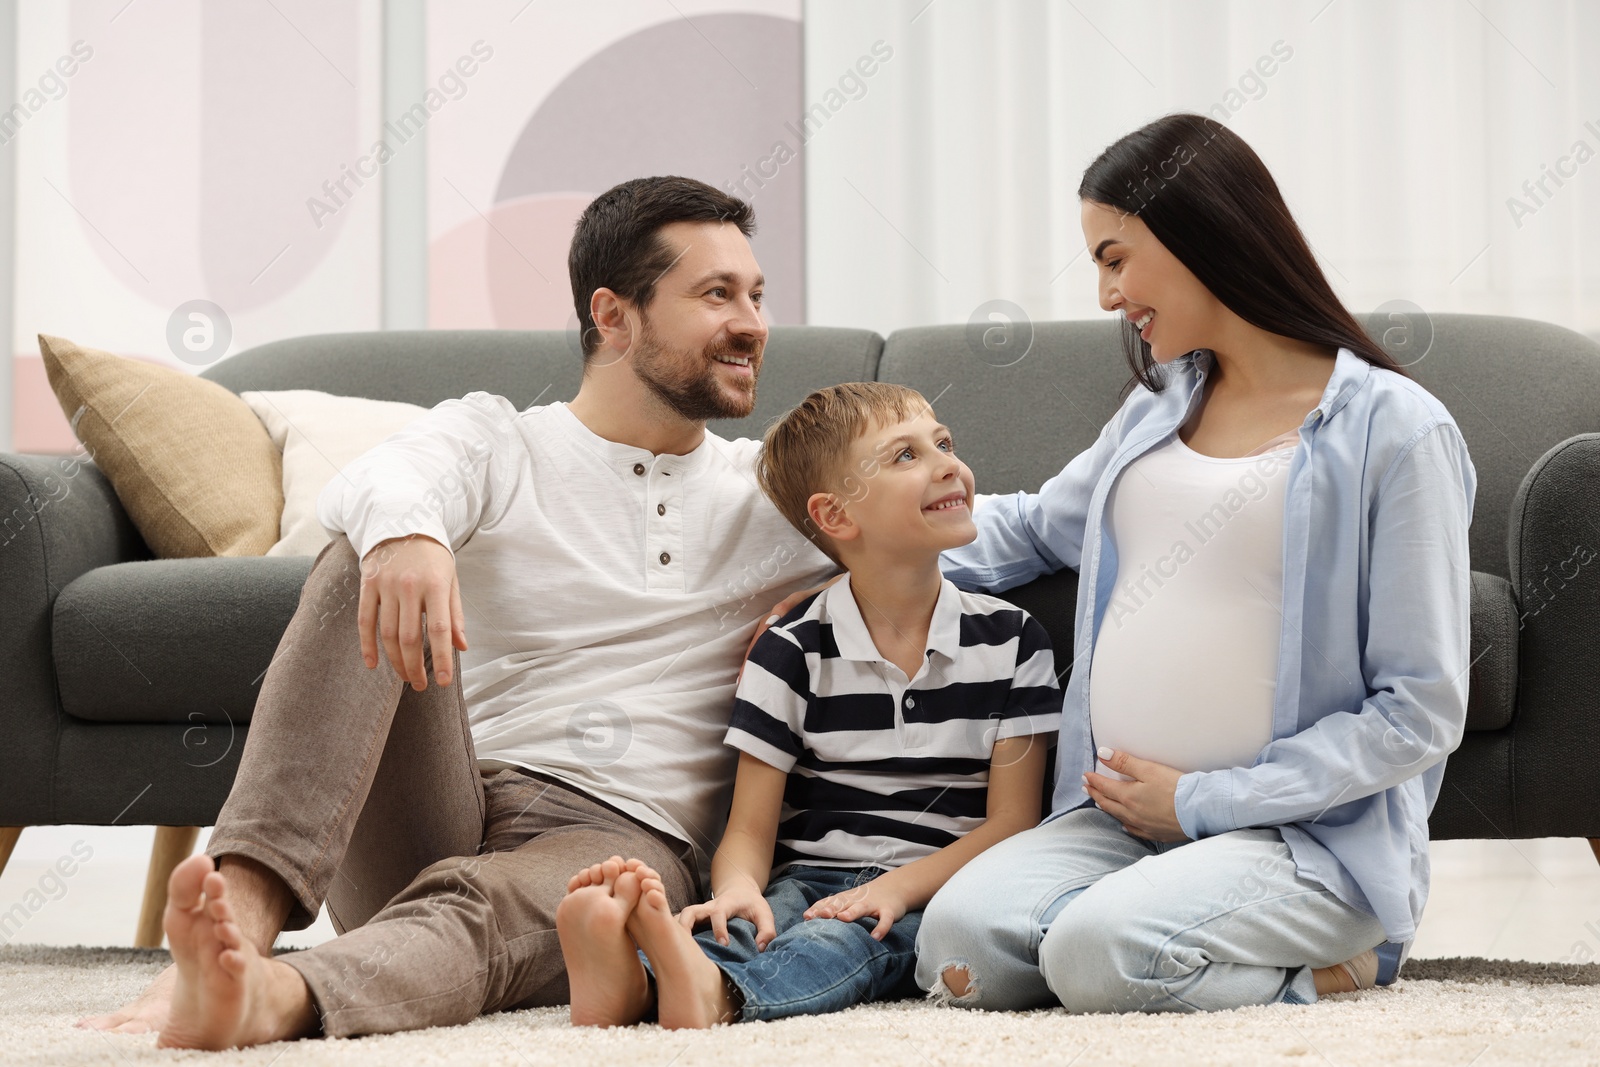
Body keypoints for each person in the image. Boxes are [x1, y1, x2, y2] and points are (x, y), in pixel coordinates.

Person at [77, 175, 842, 1049]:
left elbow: (960, 530)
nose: (753, 323)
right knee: (367, 549)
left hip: (615, 837)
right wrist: (411, 536)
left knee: (481, 907)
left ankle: (267, 995)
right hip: (444, 796)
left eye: (756, 294)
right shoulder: (502, 440)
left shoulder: (771, 496)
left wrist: (831, 591)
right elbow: (379, 482)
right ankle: (242, 911)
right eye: (716, 294)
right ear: (614, 316)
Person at [914, 112, 1477, 1012]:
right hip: (1115, 821)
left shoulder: (1397, 430)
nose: (1106, 296)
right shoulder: (1158, 406)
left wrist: (1206, 800)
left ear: (1198, 232)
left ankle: (1352, 958)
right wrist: (849, 549)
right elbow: (1026, 530)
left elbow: (1419, 708)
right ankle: (1152, 930)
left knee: (1100, 955)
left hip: (1303, 837)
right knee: (959, 947)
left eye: (1113, 257)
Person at [553, 383, 1061, 1028]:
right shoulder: (791, 649)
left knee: (837, 945)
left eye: (943, 443)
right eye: (904, 456)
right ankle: (635, 980)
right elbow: (748, 828)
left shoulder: (1014, 640)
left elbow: (1011, 824)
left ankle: (714, 996)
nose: (946, 464)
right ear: (837, 516)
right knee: (748, 925)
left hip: (933, 889)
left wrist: (895, 888)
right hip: (809, 875)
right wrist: (736, 890)